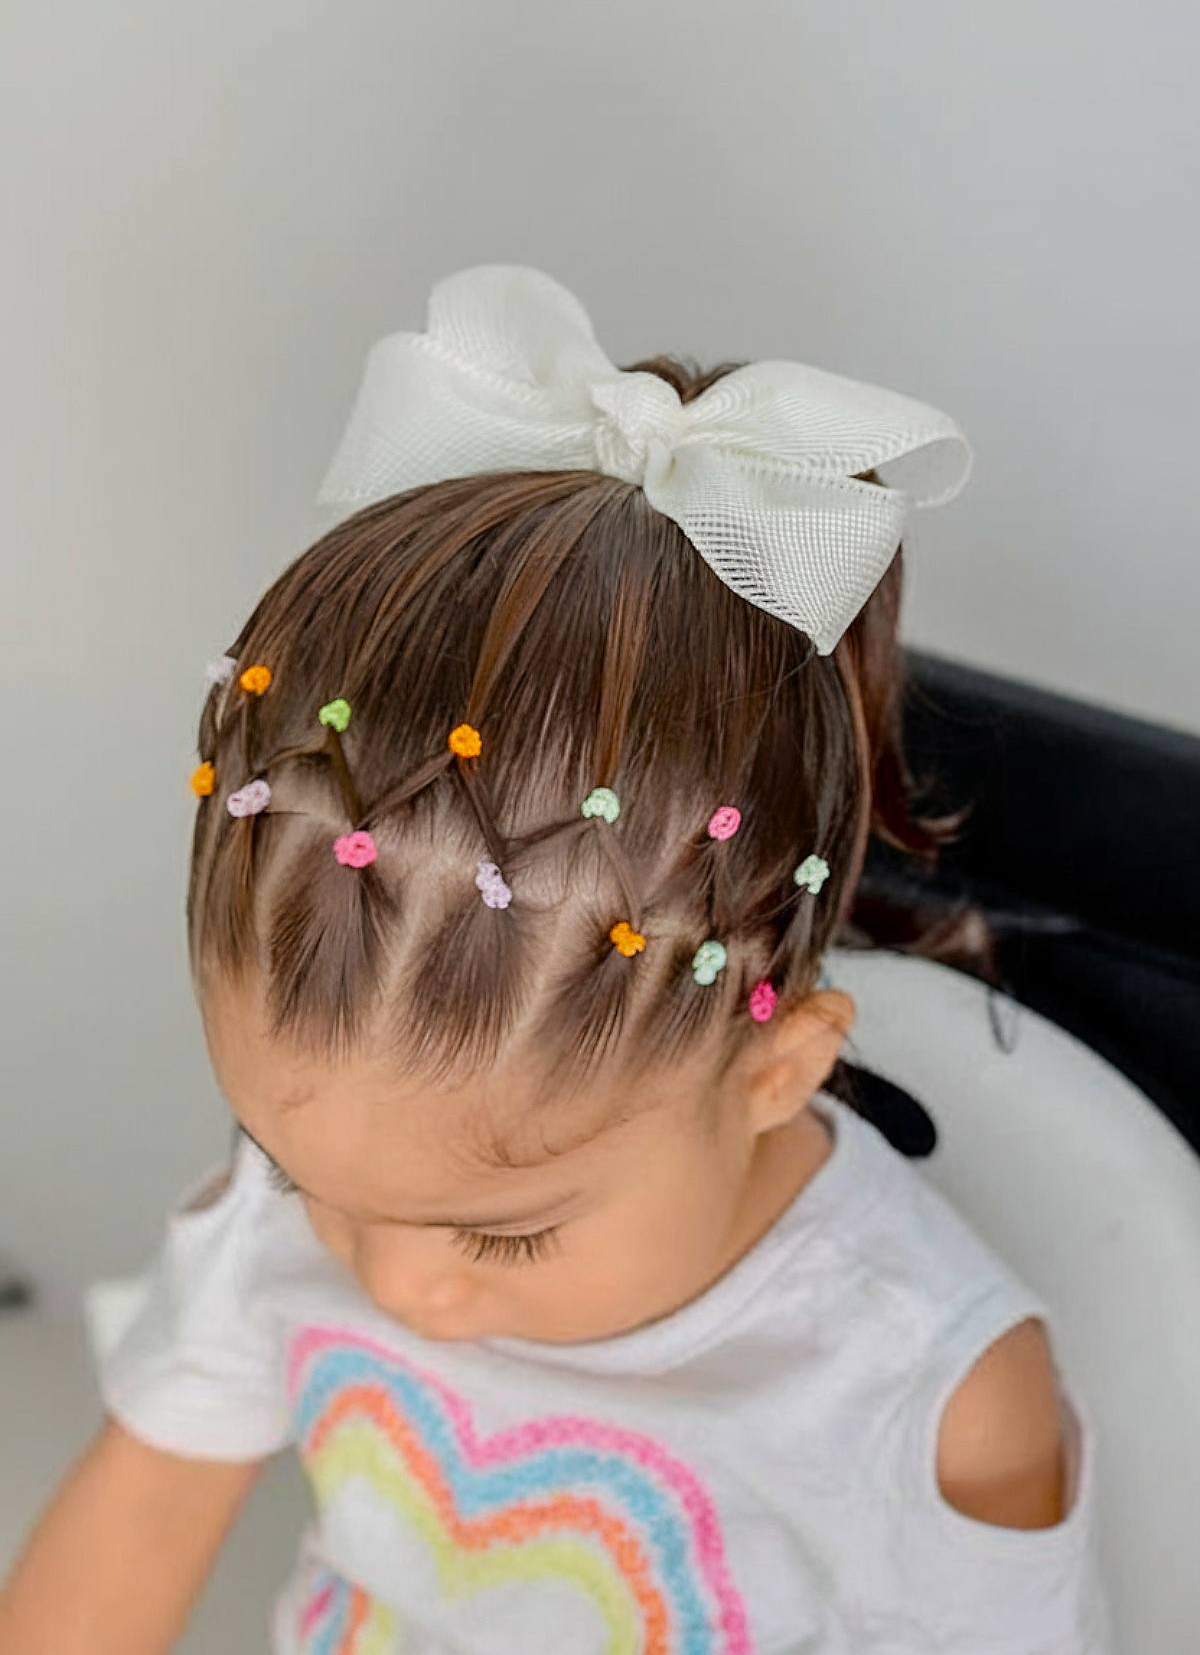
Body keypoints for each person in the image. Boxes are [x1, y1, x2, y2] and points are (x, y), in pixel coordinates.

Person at [0, 268, 1111, 1653]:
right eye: (308, 1180)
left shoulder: (921, 1388)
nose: (397, 1287)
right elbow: (144, 1516)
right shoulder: (290, 1212)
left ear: (778, 1067)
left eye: (504, 1231)